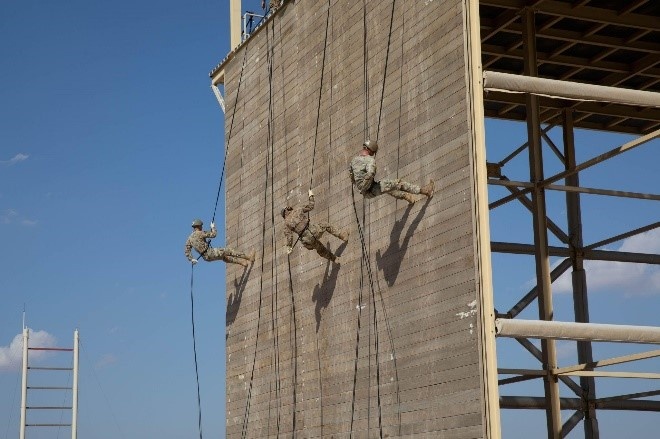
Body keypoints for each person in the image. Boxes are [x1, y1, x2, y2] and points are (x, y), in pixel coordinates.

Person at [349, 140, 434, 203]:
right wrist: (365, 185)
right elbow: (371, 173)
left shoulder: (353, 161)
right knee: (399, 184)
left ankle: (407, 197)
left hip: (365, 193)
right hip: (370, 189)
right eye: (373, 153)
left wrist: (362, 187)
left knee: (387, 188)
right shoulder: (369, 160)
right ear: (371, 150)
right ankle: (426, 191)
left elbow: (352, 178)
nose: (373, 154)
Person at [282, 190, 349, 263]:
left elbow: (289, 237)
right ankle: (343, 236)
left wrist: (289, 247)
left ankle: (334, 259)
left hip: (307, 240)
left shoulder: (286, 224)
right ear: (288, 209)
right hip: (314, 230)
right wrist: (311, 196)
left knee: (320, 249)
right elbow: (311, 206)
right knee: (326, 225)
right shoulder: (297, 210)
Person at [184, 219, 255, 267]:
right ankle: (249, 257)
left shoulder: (190, 238)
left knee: (224, 257)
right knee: (229, 251)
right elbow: (214, 234)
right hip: (211, 253)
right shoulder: (200, 233)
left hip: (206, 258)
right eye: (201, 226)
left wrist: (191, 259)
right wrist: (213, 227)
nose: (202, 227)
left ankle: (242, 263)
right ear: (199, 226)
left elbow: (187, 250)